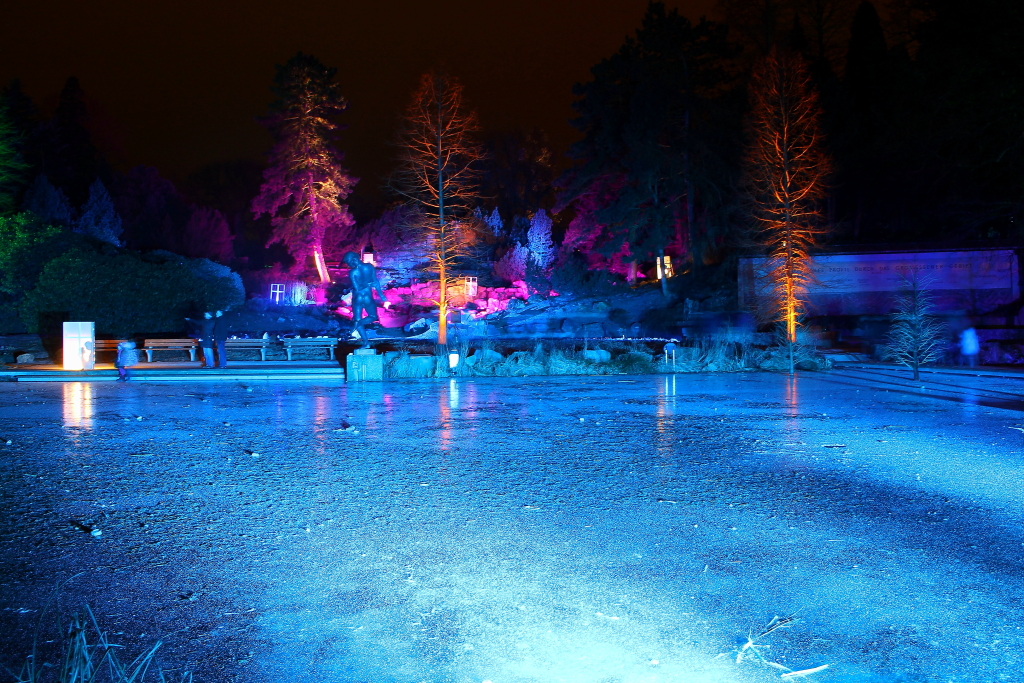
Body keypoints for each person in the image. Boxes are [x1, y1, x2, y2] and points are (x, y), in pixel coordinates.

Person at [342, 251, 390, 346]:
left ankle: (363, 339)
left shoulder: (352, 272)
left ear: (352, 260)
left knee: (357, 320)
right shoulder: (369, 266)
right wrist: (382, 296)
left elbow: (357, 288)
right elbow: (375, 282)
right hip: (368, 296)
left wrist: (365, 284)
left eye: (348, 263)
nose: (348, 265)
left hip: (358, 297)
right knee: (373, 317)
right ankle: (359, 332)